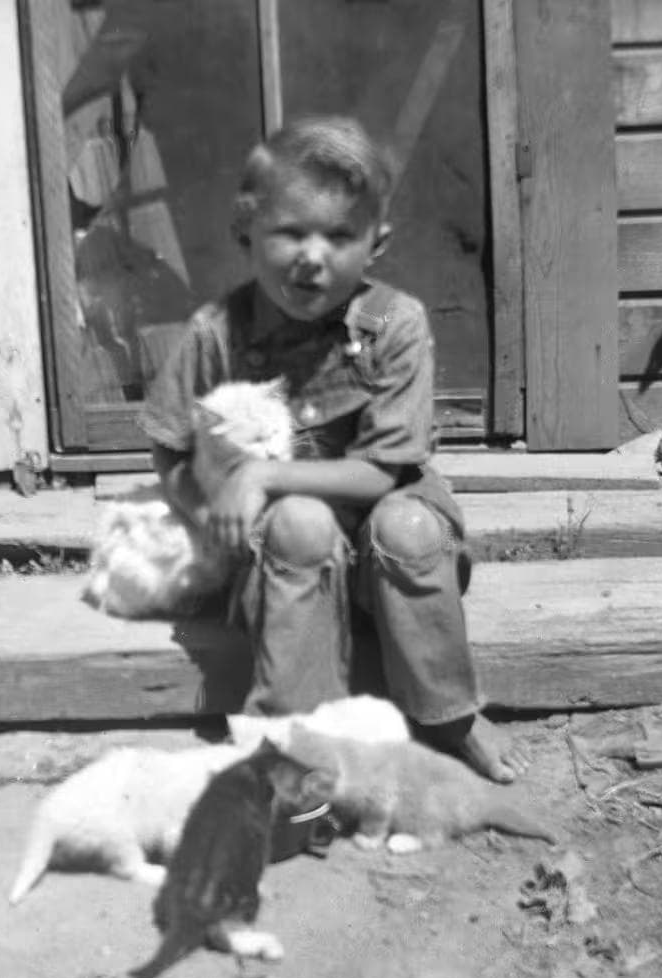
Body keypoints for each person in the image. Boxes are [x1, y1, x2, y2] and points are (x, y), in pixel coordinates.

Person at [137, 115, 528, 784]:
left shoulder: (393, 326)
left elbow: (383, 472)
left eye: (338, 235)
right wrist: (210, 511)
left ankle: (448, 717)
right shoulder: (215, 334)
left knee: (408, 527)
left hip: (386, 541)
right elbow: (171, 452)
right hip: (281, 555)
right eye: (289, 232)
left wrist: (261, 471)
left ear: (375, 244)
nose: (311, 256)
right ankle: (294, 743)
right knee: (298, 520)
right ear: (245, 235)